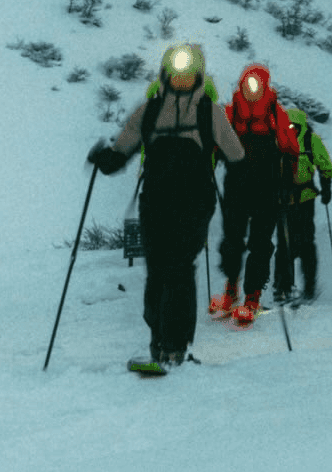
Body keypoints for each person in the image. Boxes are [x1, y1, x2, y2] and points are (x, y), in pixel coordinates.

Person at [88, 44, 244, 366]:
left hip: (194, 204)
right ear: (165, 76)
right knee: (157, 273)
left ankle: (174, 346)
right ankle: (159, 343)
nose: (181, 81)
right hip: (155, 204)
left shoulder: (210, 113)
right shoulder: (148, 111)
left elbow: (236, 156)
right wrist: (103, 158)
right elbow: (121, 154)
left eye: (188, 76)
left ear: (198, 77)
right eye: (175, 75)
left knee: (178, 269)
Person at [209, 64, 300, 324]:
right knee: (232, 240)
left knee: (260, 242)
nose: (252, 88)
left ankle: (252, 296)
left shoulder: (275, 112)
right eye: (248, 82)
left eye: (256, 83)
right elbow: (215, 144)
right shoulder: (231, 112)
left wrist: (288, 182)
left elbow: (290, 148)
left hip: (267, 188)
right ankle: (231, 290)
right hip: (236, 186)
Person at [273, 108, 332, 303]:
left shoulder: (310, 140)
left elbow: (325, 165)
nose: (292, 129)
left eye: (295, 126)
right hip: (284, 201)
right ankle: (284, 287)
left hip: (304, 199)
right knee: (285, 244)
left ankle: (306, 286)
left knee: (304, 243)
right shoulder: (279, 140)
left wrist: (326, 186)